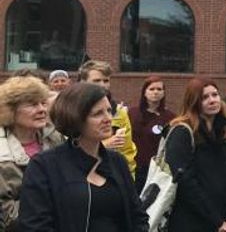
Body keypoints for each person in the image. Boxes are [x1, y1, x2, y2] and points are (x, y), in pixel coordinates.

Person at [18, 82, 149, 231]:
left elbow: (137, 215)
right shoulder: (44, 165)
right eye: (97, 113)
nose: (107, 119)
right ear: (74, 118)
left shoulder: (117, 161)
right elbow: (34, 225)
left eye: (109, 111)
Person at [163, 78, 226, 232]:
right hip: (190, 220)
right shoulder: (182, 132)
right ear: (193, 101)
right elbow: (186, 183)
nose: (212, 100)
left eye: (215, 95)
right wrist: (217, 221)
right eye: (204, 97)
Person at [0, 76, 65, 229]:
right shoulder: (3, 153)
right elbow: (7, 214)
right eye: (32, 104)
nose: (42, 109)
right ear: (10, 109)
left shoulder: (57, 138)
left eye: (43, 103)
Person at [79, 60, 139, 180]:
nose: (102, 85)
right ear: (83, 82)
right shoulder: (73, 110)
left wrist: (127, 180)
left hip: (112, 176)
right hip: (80, 176)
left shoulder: (119, 112)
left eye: (106, 80)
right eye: (96, 81)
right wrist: (105, 145)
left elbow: (127, 151)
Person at [130, 75, 176, 191]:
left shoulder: (170, 117)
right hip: (133, 168)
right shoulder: (131, 114)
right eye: (151, 89)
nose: (155, 92)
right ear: (144, 92)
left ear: (164, 93)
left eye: (159, 89)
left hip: (155, 170)